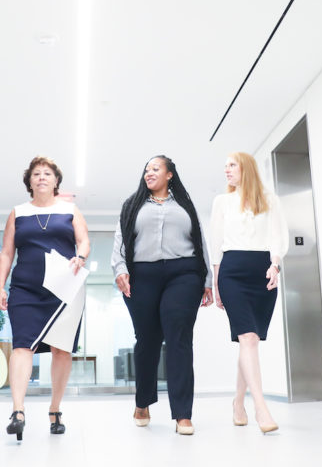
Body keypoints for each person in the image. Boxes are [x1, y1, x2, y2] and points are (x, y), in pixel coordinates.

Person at [112, 155, 213, 435]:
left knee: (179, 337)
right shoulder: (132, 205)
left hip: (183, 273)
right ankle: (143, 401)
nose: (149, 173)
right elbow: (120, 241)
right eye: (146, 170)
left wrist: (207, 278)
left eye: (155, 169)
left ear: (170, 174)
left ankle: (183, 413)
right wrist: (119, 269)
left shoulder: (185, 205)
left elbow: (200, 242)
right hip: (142, 275)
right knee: (148, 340)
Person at [0, 156, 90, 441]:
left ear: (56, 181)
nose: (41, 177)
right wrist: (1, 286)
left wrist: (81, 256)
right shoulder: (18, 212)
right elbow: (6, 253)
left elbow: (84, 240)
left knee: (61, 350)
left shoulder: (70, 210)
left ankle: (55, 409)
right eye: (36, 174)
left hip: (64, 288)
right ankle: (18, 411)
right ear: (29, 182)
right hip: (25, 288)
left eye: (47, 173)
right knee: (23, 345)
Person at [209, 151, 288, 434]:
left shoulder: (270, 199)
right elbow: (215, 244)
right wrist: (217, 281)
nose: (227, 170)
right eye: (225, 166)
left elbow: (279, 235)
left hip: (263, 271)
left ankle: (238, 403)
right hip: (232, 271)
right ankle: (261, 407)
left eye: (232, 165)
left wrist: (275, 265)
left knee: (250, 341)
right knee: (248, 338)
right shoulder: (222, 202)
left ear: (246, 167)